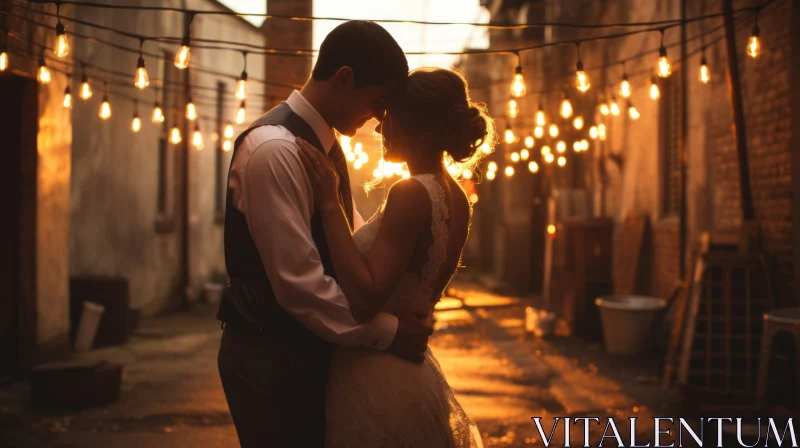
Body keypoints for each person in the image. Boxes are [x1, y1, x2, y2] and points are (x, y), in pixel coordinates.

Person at [216, 21, 433, 447]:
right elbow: (300, 285)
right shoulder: (274, 150)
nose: (377, 118)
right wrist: (387, 332)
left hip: (304, 353)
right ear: (344, 77)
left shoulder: (324, 147)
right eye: (377, 102)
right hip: (270, 359)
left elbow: (346, 248)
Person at [296, 67, 493, 447]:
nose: (379, 130)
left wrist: (328, 202)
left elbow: (367, 297)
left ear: (418, 128)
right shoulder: (455, 196)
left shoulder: (411, 193)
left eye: (389, 119)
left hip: (377, 375)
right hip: (409, 369)